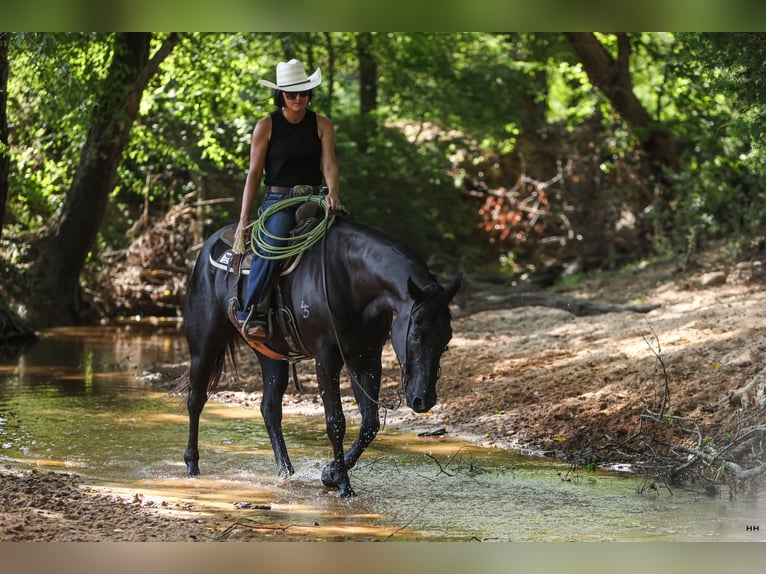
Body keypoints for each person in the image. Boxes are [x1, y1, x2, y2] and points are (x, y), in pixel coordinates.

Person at [233, 58, 342, 341]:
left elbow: (329, 165)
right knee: (273, 243)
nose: (298, 98)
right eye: (291, 93)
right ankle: (253, 310)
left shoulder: (322, 124)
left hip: (314, 198)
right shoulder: (266, 126)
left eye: (303, 93)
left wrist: (333, 193)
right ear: (281, 94)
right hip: (278, 200)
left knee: (345, 235)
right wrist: (244, 219)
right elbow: (254, 174)